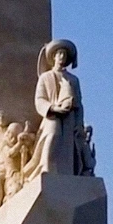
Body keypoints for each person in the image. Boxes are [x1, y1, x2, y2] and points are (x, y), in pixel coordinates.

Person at [26, 39, 95, 177]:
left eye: (64, 54)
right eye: (59, 54)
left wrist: (79, 123)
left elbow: (79, 104)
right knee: (52, 135)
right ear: (54, 57)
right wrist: (53, 108)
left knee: (68, 146)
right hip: (52, 115)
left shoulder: (73, 79)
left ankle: (66, 172)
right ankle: (45, 166)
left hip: (69, 117)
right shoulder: (45, 77)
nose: (62, 57)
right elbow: (39, 99)